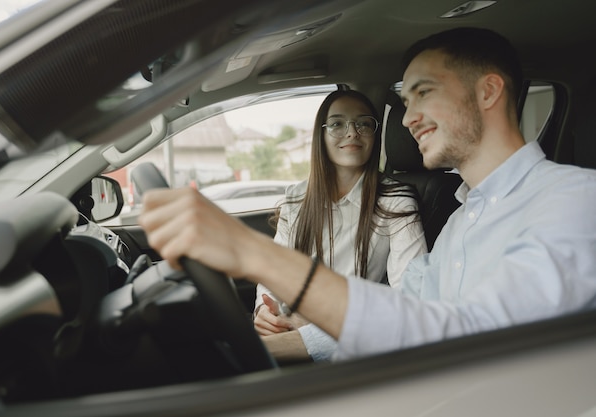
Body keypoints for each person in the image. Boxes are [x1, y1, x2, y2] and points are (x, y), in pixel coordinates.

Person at [139, 27, 596, 361]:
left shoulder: (574, 200)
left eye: (422, 93)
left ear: (488, 91)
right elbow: (401, 320)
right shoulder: (460, 222)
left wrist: (253, 253)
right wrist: (264, 346)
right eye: (404, 100)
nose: (408, 116)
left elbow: (472, 338)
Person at [253, 90, 427, 362]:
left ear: (374, 134)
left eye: (364, 124)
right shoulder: (296, 198)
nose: (352, 133)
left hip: (353, 336)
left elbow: (409, 296)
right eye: (337, 124)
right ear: (320, 136)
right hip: (289, 324)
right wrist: (265, 311)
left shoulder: (396, 200)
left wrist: (313, 327)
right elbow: (274, 271)